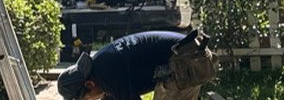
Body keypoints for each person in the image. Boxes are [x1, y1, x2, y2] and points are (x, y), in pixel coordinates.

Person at [57, 30, 218, 100]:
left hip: (186, 59)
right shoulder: (101, 69)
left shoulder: (107, 74)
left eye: (86, 99)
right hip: (188, 56)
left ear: (89, 84)